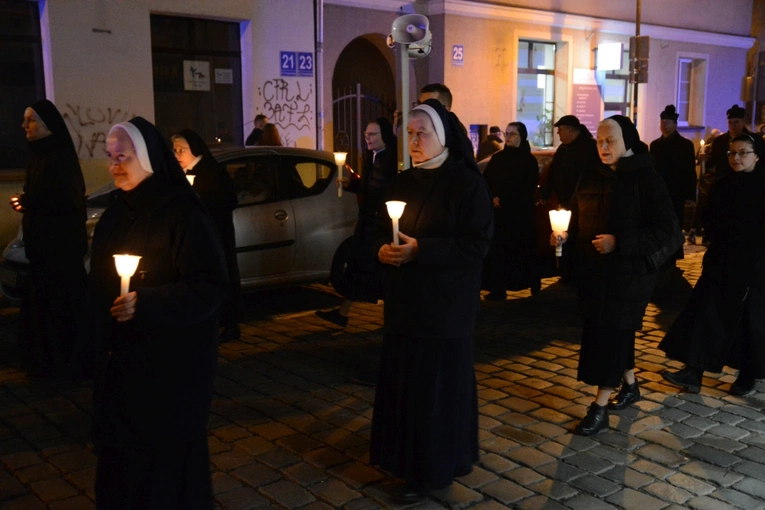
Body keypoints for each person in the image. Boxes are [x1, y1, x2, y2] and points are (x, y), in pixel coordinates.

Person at [90, 117, 227, 508]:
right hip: (122, 367)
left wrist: (147, 302)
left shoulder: (182, 212)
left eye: (124, 156)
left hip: (169, 370)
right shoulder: (116, 214)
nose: (115, 164)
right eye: (110, 156)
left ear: (148, 158)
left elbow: (209, 285)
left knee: (164, 469)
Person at [370, 99, 493, 502]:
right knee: (405, 388)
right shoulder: (404, 181)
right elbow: (379, 231)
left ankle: (433, 469)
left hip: (445, 310)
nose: (414, 141)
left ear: (442, 136)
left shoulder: (467, 184)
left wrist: (423, 251)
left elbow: (476, 246)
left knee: (435, 394)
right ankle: (402, 461)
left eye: (422, 133)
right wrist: (381, 252)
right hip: (406, 307)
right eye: (408, 134)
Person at [552, 115, 676, 436]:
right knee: (612, 331)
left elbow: (665, 229)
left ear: (627, 142)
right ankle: (631, 386)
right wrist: (564, 236)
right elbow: (576, 215)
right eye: (599, 141)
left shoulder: (646, 178)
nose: (604, 148)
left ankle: (600, 406)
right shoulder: (591, 175)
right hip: (595, 273)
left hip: (630, 273)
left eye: (611, 141)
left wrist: (619, 242)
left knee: (611, 333)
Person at [660, 134, 765, 396]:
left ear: (757, 156)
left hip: (754, 266)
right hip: (722, 260)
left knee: (748, 322)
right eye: (732, 153)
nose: (736, 158)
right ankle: (694, 370)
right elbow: (711, 219)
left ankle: (747, 375)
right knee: (706, 313)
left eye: (743, 153)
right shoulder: (722, 183)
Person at [10, 100, 87, 378]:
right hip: (42, 251)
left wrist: (30, 201)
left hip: (60, 252)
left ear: (47, 125)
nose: (24, 126)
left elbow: (67, 202)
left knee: (60, 308)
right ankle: (43, 360)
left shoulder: (61, 157)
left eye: (30, 120)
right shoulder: (37, 156)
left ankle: (64, 362)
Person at [316, 117, 398, 328]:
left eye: (372, 135)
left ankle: (395, 317)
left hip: (379, 224)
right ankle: (343, 312)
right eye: (365, 135)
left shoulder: (389, 159)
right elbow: (370, 186)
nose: (367, 139)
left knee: (376, 271)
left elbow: (381, 190)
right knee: (357, 267)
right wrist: (351, 184)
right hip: (368, 221)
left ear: (385, 136)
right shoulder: (373, 157)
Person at [172, 129, 241, 342]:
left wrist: (200, 201)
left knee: (222, 281)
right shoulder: (177, 174)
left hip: (216, 238)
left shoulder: (212, 171)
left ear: (194, 149)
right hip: (193, 240)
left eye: (181, 150)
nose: (177, 154)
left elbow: (228, 200)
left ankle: (230, 324)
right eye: (174, 150)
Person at [482, 122, 540, 299]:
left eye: (513, 134)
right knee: (499, 253)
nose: (508, 137)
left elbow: (528, 188)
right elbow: (487, 181)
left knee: (522, 251)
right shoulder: (498, 158)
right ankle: (498, 288)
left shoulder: (528, 160)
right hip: (500, 216)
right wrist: (493, 197)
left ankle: (532, 284)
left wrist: (506, 200)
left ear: (521, 137)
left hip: (520, 216)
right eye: (506, 133)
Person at [539, 115, 599, 282]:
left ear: (571, 130)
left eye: (561, 131)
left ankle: (580, 273)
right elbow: (552, 173)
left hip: (585, 204)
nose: (558, 134)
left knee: (580, 238)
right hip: (565, 202)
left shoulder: (590, 148)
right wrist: (545, 192)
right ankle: (566, 272)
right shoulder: (563, 150)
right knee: (564, 236)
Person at [649, 105, 697, 269]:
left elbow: (690, 172)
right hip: (659, 192)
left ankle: (673, 256)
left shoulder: (685, 145)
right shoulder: (655, 145)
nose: (664, 125)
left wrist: (691, 195)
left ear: (675, 124)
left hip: (677, 192)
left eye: (668, 122)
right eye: (662, 122)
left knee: (674, 226)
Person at [709, 105, 765, 181]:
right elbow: (713, 161)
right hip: (724, 181)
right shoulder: (719, 141)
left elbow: (761, 161)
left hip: (749, 180)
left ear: (743, 121)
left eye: (736, 122)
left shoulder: (755, 140)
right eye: (730, 122)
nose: (732, 126)